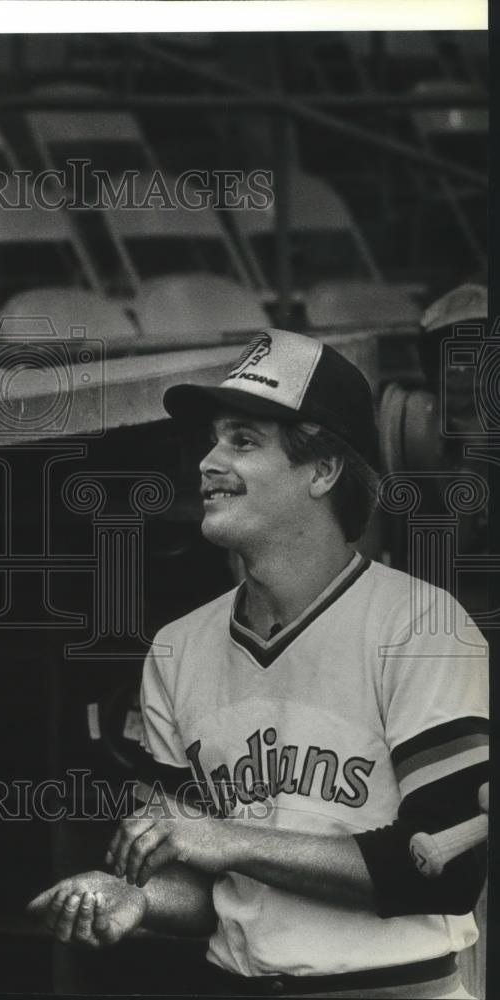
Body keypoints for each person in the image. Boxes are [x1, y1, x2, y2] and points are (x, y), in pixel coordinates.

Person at [28, 329, 488, 999]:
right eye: (213, 440)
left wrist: (228, 841)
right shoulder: (177, 647)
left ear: (322, 470)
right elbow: (196, 874)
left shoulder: (420, 626)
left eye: (242, 441)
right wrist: (138, 900)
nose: (208, 463)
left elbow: (441, 870)